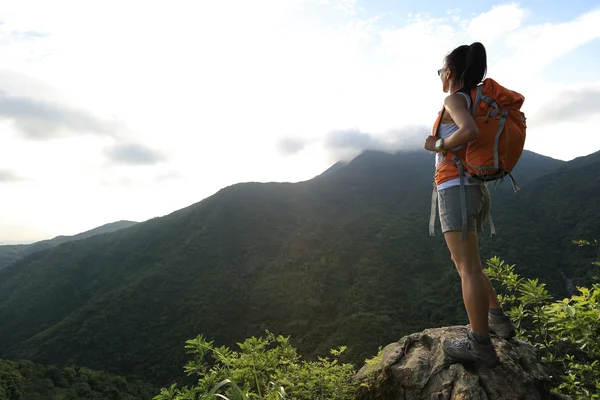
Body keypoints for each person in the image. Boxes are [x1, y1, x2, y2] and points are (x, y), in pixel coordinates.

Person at [424, 42, 516, 368]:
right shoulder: (477, 98)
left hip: (456, 189)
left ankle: (480, 344)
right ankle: (498, 319)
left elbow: (469, 131)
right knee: (471, 264)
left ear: (451, 72)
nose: (440, 76)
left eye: (441, 70)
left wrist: (438, 143)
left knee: (468, 269)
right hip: (474, 190)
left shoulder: (454, 98)